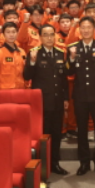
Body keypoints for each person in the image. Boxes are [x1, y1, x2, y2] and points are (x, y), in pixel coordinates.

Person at [67, 17, 95, 176]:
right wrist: (72, 58)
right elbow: (68, 71)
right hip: (80, 95)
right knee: (82, 130)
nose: (86, 30)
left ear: (94, 29)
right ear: (79, 30)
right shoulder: (73, 48)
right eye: (83, 27)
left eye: (89, 27)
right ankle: (84, 162)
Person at [24, 24, 70, 175]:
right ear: (40, 37)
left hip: (57, 101)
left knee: (57, 134)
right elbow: (27, 76)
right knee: (43, 134)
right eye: (46, 35)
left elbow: (63, 79)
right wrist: (32, 62)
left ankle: (55, 163)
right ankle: (43, 165)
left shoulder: (60, 53)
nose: (49, 38)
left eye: (52, 35)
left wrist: (65, 98)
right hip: (42, 102)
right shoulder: (34, 53)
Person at [0, 22, 27, 98]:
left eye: (13, 32)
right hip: (4, 92)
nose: (11, 35)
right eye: (8, 32)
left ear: (17, 33)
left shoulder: (22, 52)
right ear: (3, 34)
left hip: (20, 90)